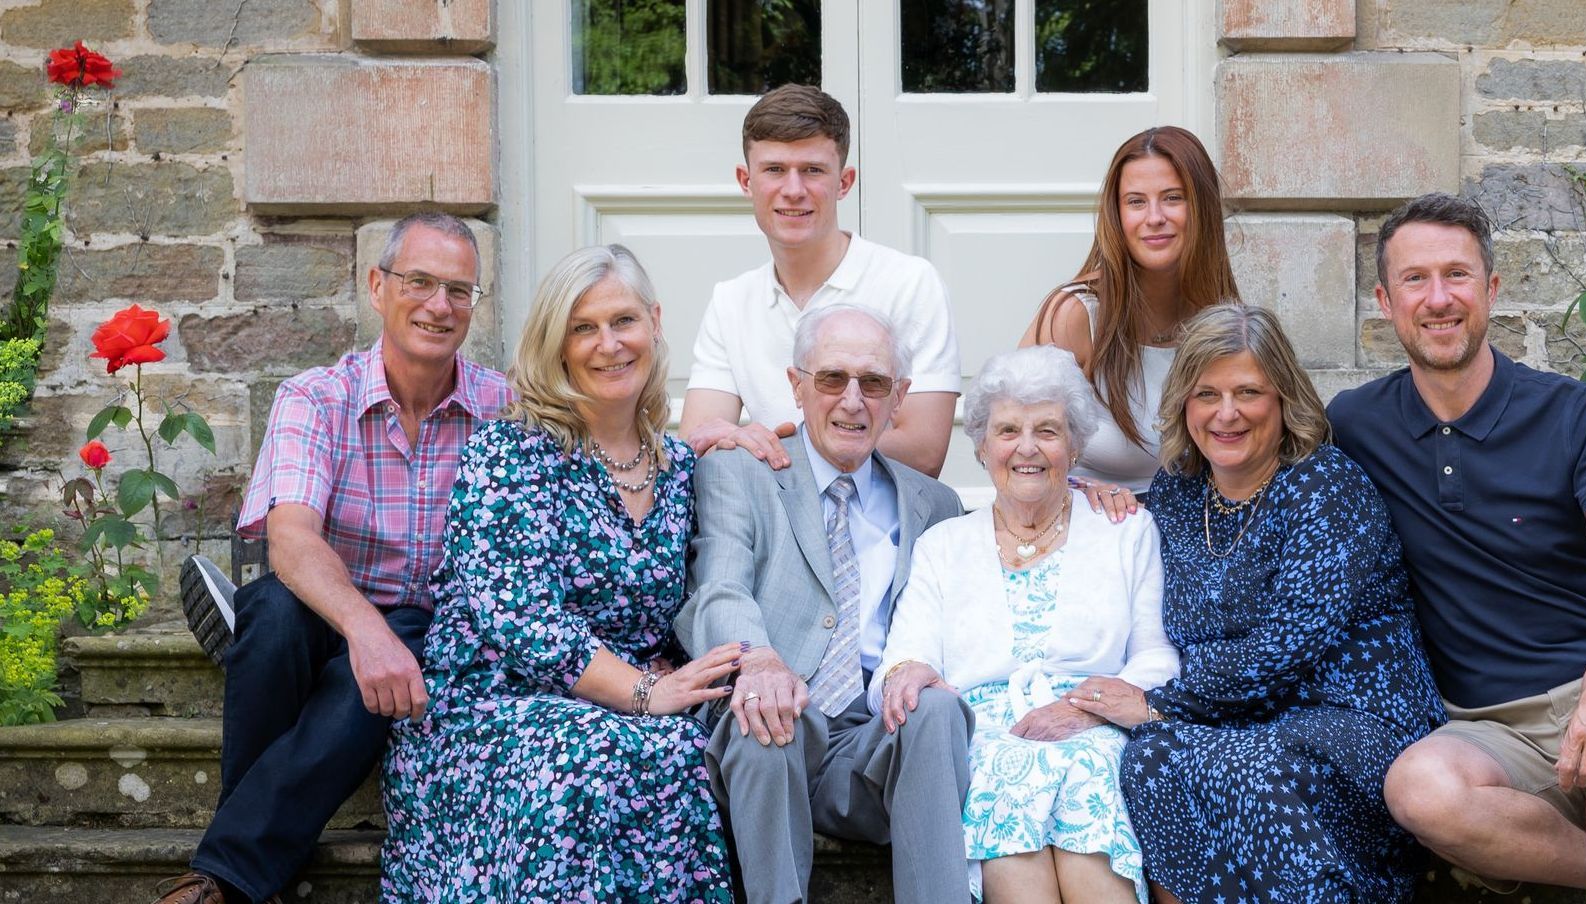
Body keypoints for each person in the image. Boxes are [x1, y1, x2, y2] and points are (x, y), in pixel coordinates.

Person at [1326, 193, 1586, 904]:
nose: (1437, 299)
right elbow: (1237, 450)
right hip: (1491, 733)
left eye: (1456, 275)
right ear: (1383, 301)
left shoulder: (1576, 413)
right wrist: (1097, 490)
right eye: (1414, 280)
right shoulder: (1355, 425)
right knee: (1417, 790)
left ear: (1490, 289)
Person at [156, 213, 514, 904]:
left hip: (428, 620)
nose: (440, 305)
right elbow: (289, 538)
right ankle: (259, 640)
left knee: (364, 685)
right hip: (326, 599)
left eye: (459, 291)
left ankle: (222, 882)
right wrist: (364, 630)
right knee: (280, 616)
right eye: (420, 281)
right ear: (377, 286)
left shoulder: (506, 408)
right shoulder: (316, 397)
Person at [379, 245, 739, 901]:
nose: (609, 345)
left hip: (621, 702)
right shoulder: (508, 450)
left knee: (680, 753)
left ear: (654, 323)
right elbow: (517, 617)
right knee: (584, 755)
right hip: (491, 703)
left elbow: (693, 596)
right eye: (584, 327)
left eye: (623, 321)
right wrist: (640, 691)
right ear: (558, 344)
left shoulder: (682, 467)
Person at [1068, 302, 1447, 903]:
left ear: (1283, 398)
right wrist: (1085, 499)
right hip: (1233, 718)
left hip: (1349, 718)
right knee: (1149, 758)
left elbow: (1284, 647)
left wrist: (1159, 703)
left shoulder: (1326, 488)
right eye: (1206, 393)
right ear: (1183, 404)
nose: (1226, 414)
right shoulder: (1177, 489)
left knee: (1248, 768)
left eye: (1248, 392)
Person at [677, 304, 970, 903]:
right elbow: (718, 588)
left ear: (900, 397)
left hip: (871, 744)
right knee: (770, 714)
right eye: (832, 379)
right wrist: (758, 661)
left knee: (937, 711)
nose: (853, 400)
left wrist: (1087, 494)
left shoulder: (933, 504)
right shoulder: (742, 471)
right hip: (775, 727)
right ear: (796, 386)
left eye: (875, 383)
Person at [875, 345, 1179, 903]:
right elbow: (906, 655)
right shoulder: (944, 544)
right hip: (986, 736)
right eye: (1009, 430)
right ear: (983, 445)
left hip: (1092, 726)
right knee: (1003, 768)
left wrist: (1083, 708)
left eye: (1048, 430)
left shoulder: (1125, 530)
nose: (1027, 448)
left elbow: (1157, 656)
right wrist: (909, 673)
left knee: (1089, 773)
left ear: (1076, 444)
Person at [679, 83, 961, 477]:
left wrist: (769, 449)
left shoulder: (909, 283)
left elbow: (923, 451)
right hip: (768, 524)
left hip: (881, 528)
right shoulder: (731, 302)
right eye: (774, 170)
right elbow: (701, 443)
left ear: (844, 182)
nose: (793, 190)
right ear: (746, 181)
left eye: (812, 171)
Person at [1019, 125, 1239, 509]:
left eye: (1173, 198)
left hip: (1195, 530)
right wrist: (1078, 488)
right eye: (1136, 202)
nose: (1154, 217)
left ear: (1202, 207)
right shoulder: (1077, 315)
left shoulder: (1225, 319)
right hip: (1093, 526)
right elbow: (1011, 439)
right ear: (1117, 215)